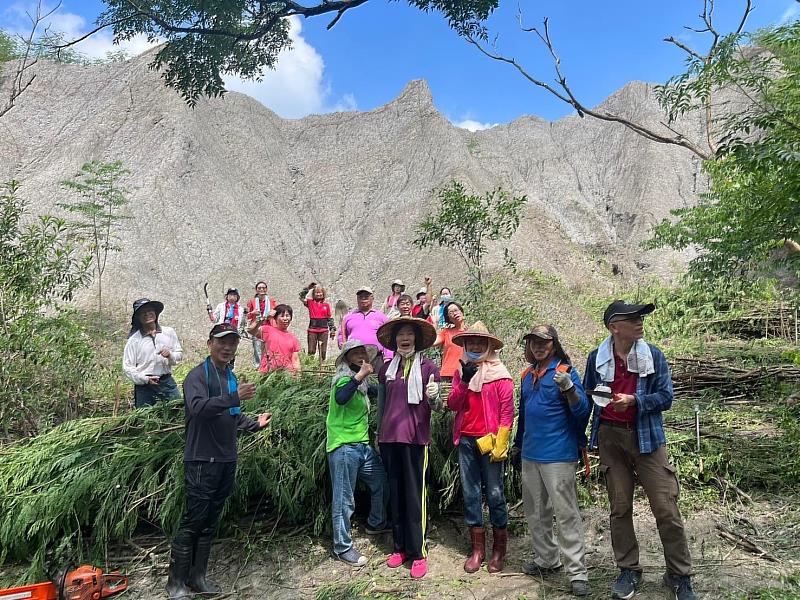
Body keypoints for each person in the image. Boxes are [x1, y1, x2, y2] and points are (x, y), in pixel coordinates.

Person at [584, 301, 696, 600]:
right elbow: (588, 396)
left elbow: (666, 397)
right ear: (613, 326)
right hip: (610, 438)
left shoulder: (653, 356)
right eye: (632, 318)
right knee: (620, 508)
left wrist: (634, 401)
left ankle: (679, 574)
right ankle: (629, 569)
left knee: (666, 506)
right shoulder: (597, 358)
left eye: (641, 317)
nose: (639, 322)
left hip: (648, 438)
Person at [165, 323, 271, 600]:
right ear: (210, 343)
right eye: (222, 342)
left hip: (226, 459)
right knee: (193, 521)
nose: (227, 348)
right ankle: (175, 584)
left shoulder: (230, 377)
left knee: (210, 522)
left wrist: (255, 424)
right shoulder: (197, 377)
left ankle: (197, 577)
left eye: (232, 343)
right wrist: (234, 397)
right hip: (201, 460)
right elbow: (198, 409)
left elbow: (232, 416)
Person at [512, 324, 591, 597]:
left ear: (554, 345)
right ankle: (547, 559)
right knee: (536, 512)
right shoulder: (526, 375)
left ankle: (577, 572)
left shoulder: (566, 373)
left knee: (566, 513)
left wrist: (569, 390)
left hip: (558, 454)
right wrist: (517, 445)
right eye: (533, 342)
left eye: (543, 342)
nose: (538, 346)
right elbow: (523, 416)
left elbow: (582, 412)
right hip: (530, 453)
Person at [375, 317, 441, 579]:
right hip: (389, 439)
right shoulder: (386, 370)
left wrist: (434, 398)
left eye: (409, 334)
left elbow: (435, 408)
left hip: (415, 439)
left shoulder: (428, 368)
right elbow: (381, 406)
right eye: (400, 334)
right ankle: (400, 547)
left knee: (415, 498)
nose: (404, 338)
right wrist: (378, 434)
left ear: (416, 339)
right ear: (394, 341)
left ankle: (418, 552)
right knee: (396, 494)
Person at [446, 322, 514, 574]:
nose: (474, 346)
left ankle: (499, 550)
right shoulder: (460, 370)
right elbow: (453, 404)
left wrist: (502, 440)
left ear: (488, 346)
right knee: (471, 493)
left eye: (479, 342)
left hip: (491, 441)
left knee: (495, 493)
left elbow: (507, 411)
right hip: (466, 440)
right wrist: (464, 381)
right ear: (465, 345)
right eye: (470, 342)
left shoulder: (500, 374)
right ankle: (478, 550)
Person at [327, 340, 390, 566]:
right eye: (355, 353)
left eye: (363, 352)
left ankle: (376, 523)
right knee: (344, 498)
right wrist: (360, 376)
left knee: (381, 482)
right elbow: (341, 397)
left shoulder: (362, 383)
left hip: (362, 446)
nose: (361, 355)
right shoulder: (343, 378)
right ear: (347, 358)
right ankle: (342, 547)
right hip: (344, 446)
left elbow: (377, 390)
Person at [123, 298, 183, 408]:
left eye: (150, 310)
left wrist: (170, 355)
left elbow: (179, 355)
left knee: (178, 411)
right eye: (143, 312)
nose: (147, 314)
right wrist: (145, 379)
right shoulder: (134, 340)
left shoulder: (168, 333)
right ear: (138, 318)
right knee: (145, 419)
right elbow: (127, 367)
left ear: (155, 313)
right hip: (144, 387)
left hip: (166, 382)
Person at [338, 287, 390, 365]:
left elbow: (388, 337)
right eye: (360, 296)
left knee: (377, 377)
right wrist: (342, 344)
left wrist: (388, 357)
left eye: (366, 296)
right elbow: (341, 334)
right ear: (357, 299)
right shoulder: (348, 317)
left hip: (376, 357)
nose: (363, 298)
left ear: (372, 298)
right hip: (354, 357)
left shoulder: (381, 317)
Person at [248, 304, 301, 374]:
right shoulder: (267, 330)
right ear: (275, 318)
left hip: (286, 374)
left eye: (287, 316)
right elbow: (251, 330)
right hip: (268, 372)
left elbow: (295, 360)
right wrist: (264, 318)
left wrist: (298, 374)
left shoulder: (293, 339)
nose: (285, 318)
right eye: (282, 316)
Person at [300, 283, 336, 363]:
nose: (319, 294)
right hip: (312, 330)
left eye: (320, 292)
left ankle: (322, 367)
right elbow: (301, 296)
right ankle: (310, 365)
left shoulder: (326, 305)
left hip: (323, 330)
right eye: (316, 292)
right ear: (313, 294)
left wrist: (332, 329)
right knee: (311, 350)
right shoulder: (310, 303)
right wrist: (308, 288)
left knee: (323, 352)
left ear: (323, 294)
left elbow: (329, 318)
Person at [432, 301, 466, 380]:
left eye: (456, 310)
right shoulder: (446, 332)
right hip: (448, 374)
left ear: (461, 311)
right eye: (451, 312)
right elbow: (433, 342)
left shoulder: (471, 332)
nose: (455, 313)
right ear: (448, 318)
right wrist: (435, 325)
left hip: (466, 374)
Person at [246, 282, 277, 367]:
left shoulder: (271, 300)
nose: (261, 289)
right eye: (259, 288)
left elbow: (275, 312)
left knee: (268, 348)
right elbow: (247, 315)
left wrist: (272, 313)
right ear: (256, 290)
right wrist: (253, 313)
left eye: (263, 287)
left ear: (266, 289)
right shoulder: (252, 301)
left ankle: (268, 366)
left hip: (269, 326)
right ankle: (258, 367)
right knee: (257, 347)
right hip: (256, 327)